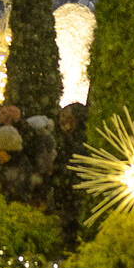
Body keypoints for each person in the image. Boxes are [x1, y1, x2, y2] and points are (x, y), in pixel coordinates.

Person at [50, 103, 89, 246]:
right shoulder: (60, 140)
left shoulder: (83, 141)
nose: (62, 121)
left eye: (67, 117)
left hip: (75, 195)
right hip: (63, 194)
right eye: (62, 116)